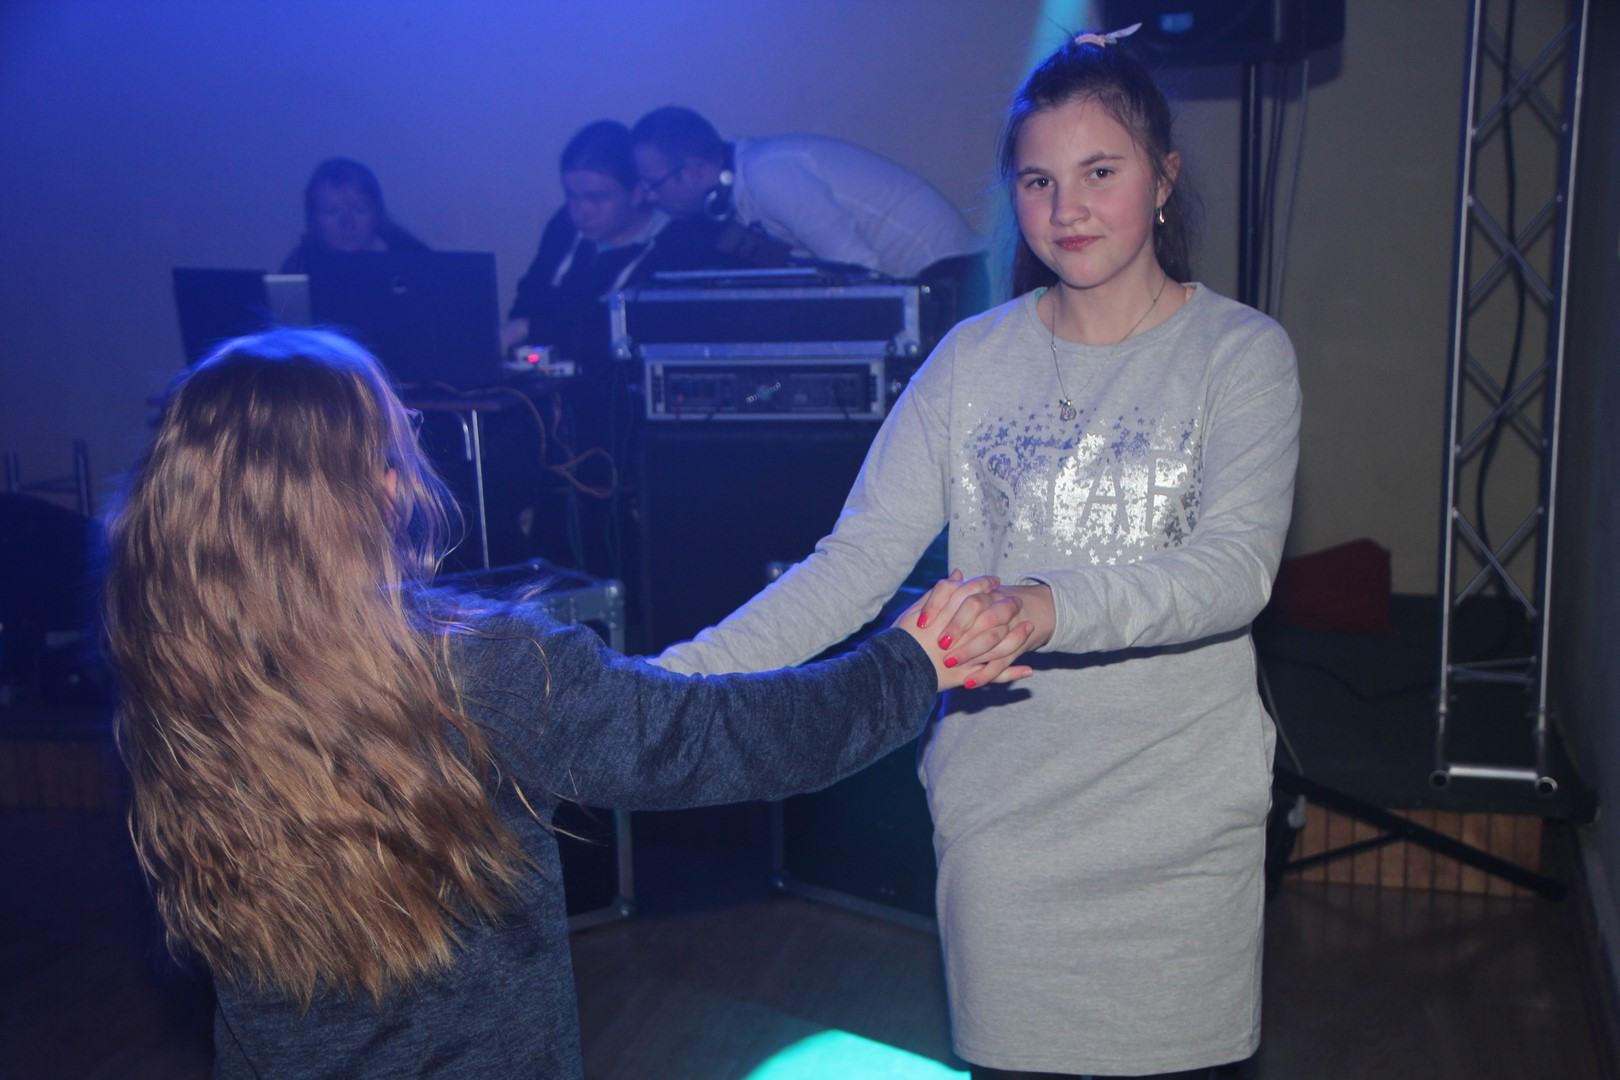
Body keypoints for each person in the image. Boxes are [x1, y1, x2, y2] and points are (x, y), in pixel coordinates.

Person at [101, 327, 1032, 1078]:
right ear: (355, 491)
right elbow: (731, 742)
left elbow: (638, 715)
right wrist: (912, 663)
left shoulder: (178, 676)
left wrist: (627, 698)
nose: (400, 474)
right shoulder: (483, 671)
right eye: (387, 450)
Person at [656, 26, 1302, 1080]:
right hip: (1006, 824)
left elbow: (1234, 571)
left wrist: (1044, 605)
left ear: (1164, 179)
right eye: (1039, 181)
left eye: (1101, 172)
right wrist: (671, 682)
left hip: (1180, 824)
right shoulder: (972, 360)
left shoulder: (1240, 354)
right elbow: (853, 565)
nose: (1068, 207)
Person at [630, 106, 989, 317]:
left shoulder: (768, 174)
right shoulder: (741, 192)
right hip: (926, 282)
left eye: (653, 183)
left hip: (946, 276)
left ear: (694, 170)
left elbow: (858, 268)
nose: (649, 196)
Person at [502, 120, 732, 362]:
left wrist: (529, 328)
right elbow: (527, 301)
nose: (579, 212)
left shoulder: (681, 241)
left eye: (596, 198)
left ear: (638, 192)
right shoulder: (565, 225)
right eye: (571, 196)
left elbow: (630, 331)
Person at [280, 157, 429, 273]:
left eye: (359, 210)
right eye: (332, 211)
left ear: (377, 215)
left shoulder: (414, 259)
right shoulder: (299, 265)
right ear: (315, 219)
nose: (347, 223)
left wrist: (386, 262)